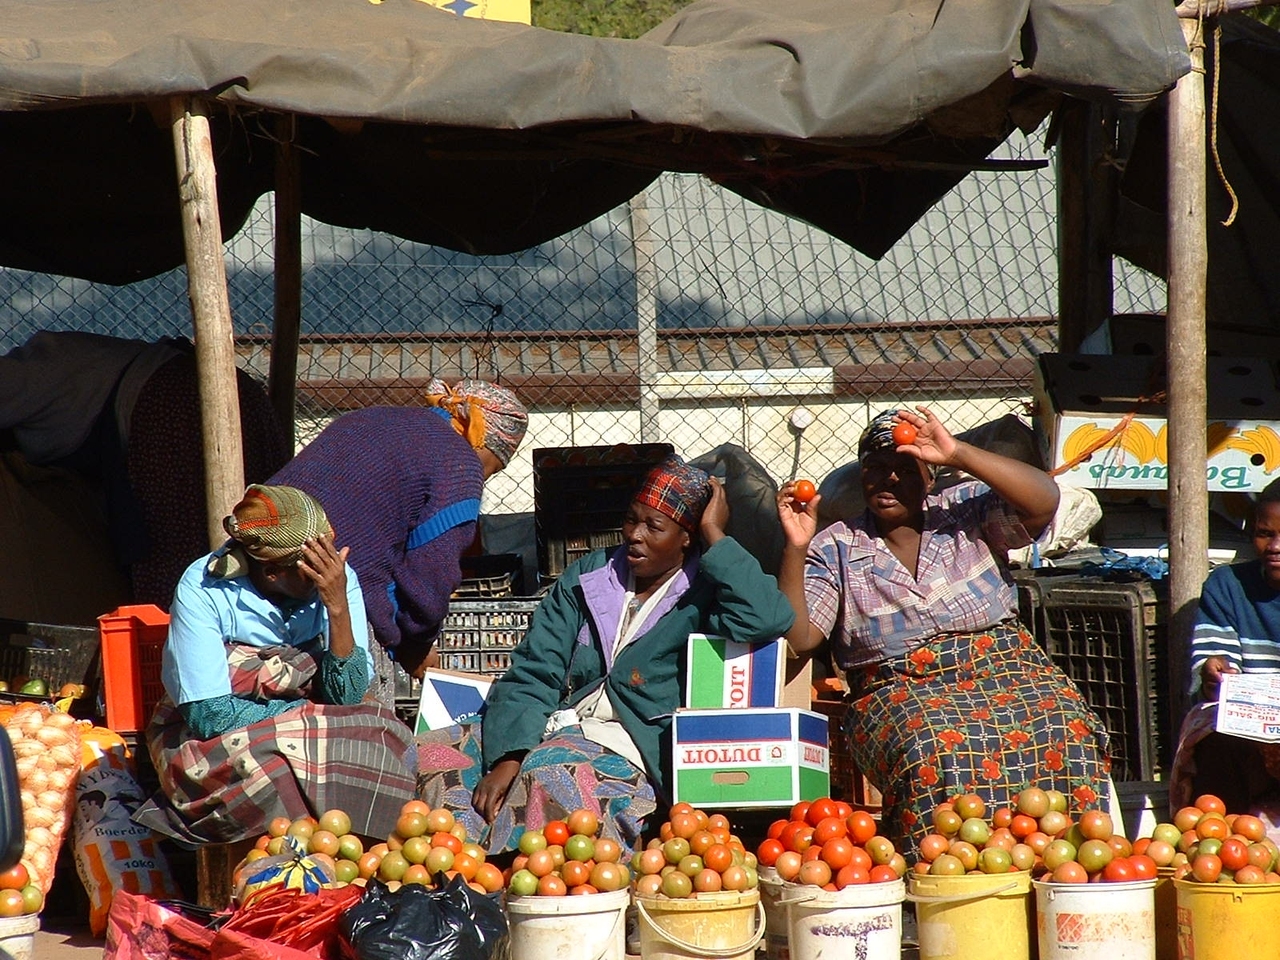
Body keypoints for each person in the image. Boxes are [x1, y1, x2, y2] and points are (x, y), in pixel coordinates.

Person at [415, 455, 795, 853]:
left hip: (637, 742)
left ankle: (518, 881)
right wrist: (509, 755)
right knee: (436, 753)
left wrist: (715, 533)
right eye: (632, 519)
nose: (635, 534)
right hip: (560, 722)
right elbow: (534, 670)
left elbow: (769, 617)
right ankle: (448, 876)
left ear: (687, 537)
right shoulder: (589, 577)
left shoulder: (708, 589)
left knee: (555, 771)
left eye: (655, 526)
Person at [775, 407, 1111, 854]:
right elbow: (800, 639)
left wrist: (958, 453)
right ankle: (939, 867)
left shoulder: (966, 510)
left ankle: (1064, 855)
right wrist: (796, 547)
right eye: (875, 469)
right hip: (898, 687)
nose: (888, 481)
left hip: (1005, 668)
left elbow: (1044, 501)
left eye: (903, 469)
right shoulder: (835, 546)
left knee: (1063, 725)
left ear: (930, 478)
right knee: (932, 744)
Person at [132, 484, 417, 844]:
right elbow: (209, 714)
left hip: (318, 718)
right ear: (271, 573)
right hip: (211, 734)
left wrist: (337, 606)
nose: (327, 572)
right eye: (311, 568)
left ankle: (357, 852)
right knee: (276, 770)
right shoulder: (203, 588)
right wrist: (306, 715)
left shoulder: (335, 581)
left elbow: (348, 696)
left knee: (386, 738)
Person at [0, 331, 290, 609]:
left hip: (176, 407)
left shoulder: (25, 373)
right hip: (229, 391)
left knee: (178, 555)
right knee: (255, 537)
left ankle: (186, 639)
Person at [268, 379, 528, 678]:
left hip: (262, 566)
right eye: (494, 468)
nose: (486, 477)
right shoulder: (461, 465)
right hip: (326, 597)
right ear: (483, 440)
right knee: (359, 710)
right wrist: (414, 645)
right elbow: (432, 574)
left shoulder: (373, 416)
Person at [1169, 485, 1280, 815]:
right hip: (1250, 740)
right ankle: (1226, 836)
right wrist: (1213, 676)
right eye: (1264, 534)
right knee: (1214, 735)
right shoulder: (1227, 586)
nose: (1275, 547)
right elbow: (1215, 673)